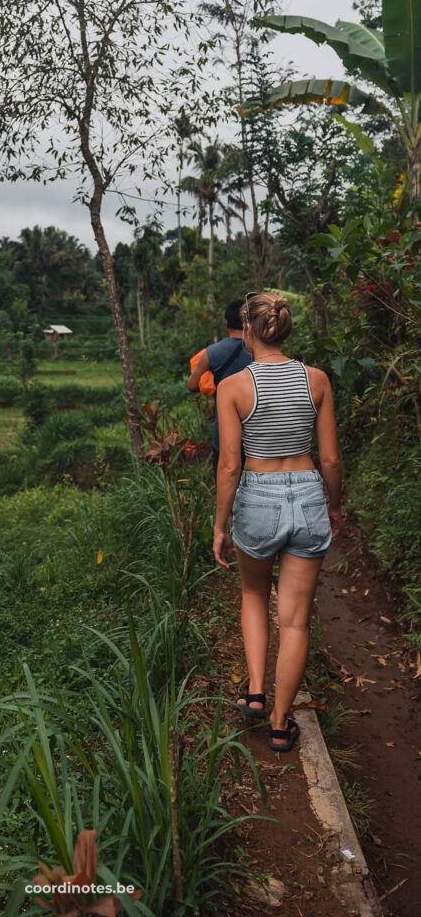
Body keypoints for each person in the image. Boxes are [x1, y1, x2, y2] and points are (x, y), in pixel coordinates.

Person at [212, 292, 342, 752]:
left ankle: (254, 693)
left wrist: (220, 524)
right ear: (285, 329)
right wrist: (333, 503)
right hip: (307, 492)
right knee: (296, 622)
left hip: (258, 499)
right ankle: (282, 725)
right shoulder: (317, 380)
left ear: (247, 330)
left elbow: (230, 466)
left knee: (253, 594)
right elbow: (329, 458)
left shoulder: (234, 387)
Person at [187, 299, 252, 479]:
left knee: (226, 490)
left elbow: (191, 385)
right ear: (249, 323)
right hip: (258, 435)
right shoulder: (260, 351)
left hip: (224, 434)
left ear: (227, 324)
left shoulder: (211, 352)